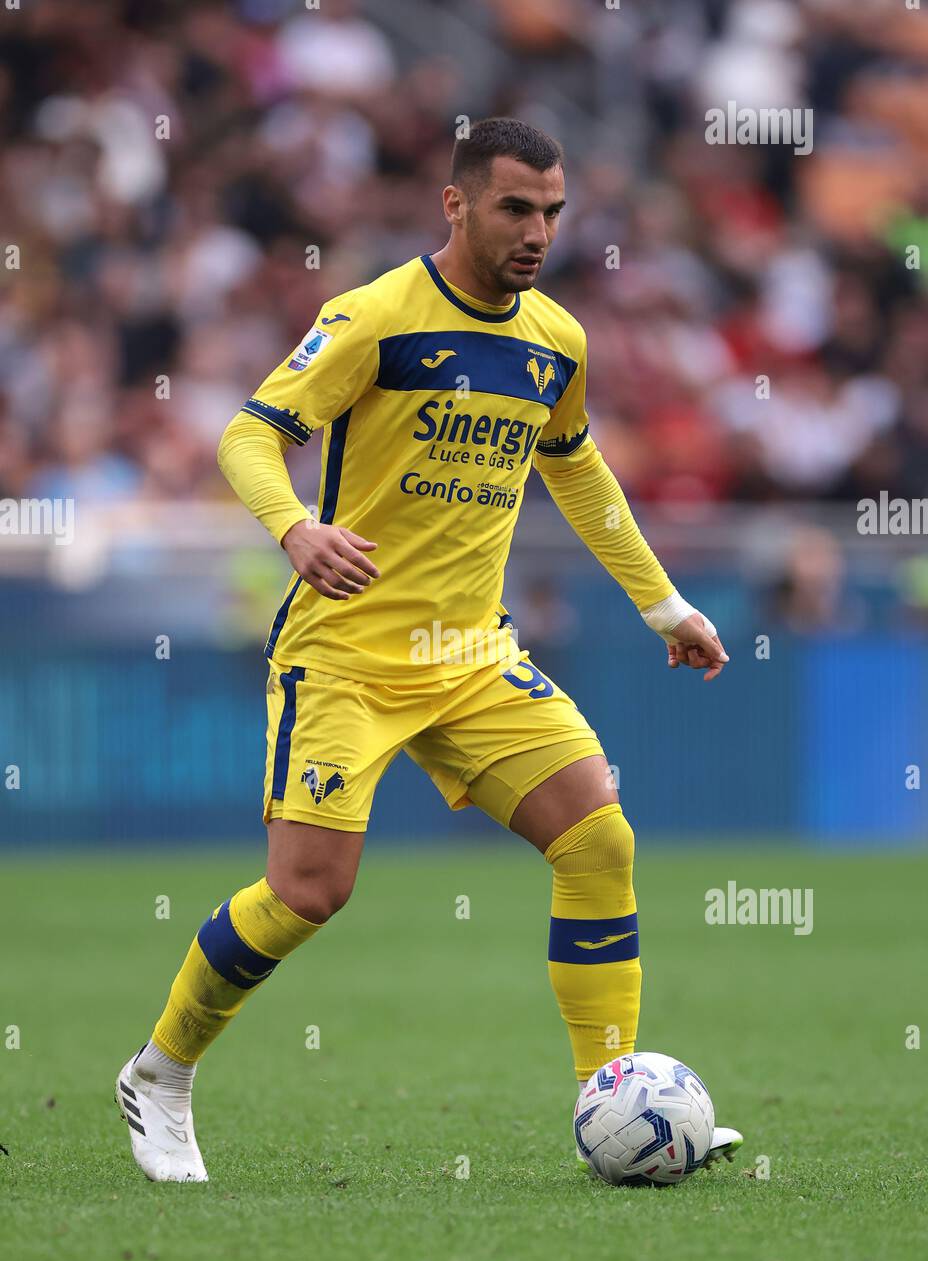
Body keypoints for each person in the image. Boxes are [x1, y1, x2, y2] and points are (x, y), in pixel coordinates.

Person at [116, 118, 740, 1182]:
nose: (536, 230)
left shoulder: (556, 340)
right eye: (513, 208)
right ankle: (161, 1073)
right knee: (310, 892)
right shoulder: (372, 316)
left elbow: (577, 474)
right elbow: (247, 433)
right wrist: (295, 530)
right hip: (348, 654)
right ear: (455, 205)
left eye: (550, 211)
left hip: (473, 656)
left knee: (598, 840)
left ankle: (619, 1097)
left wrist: (662, 606)